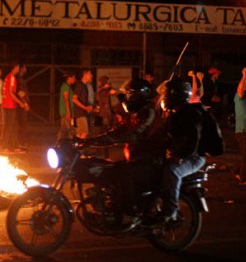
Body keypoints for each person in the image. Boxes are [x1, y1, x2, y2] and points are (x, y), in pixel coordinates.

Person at [86, 78, 164, 227]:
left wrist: (110, 140)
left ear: (138, 97)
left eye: (129, 96)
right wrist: (91, 141)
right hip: (138, 159)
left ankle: (131, 214)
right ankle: (112, 207)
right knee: (109, 169)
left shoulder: (149, 114)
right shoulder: (135, 114)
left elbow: (134, 135)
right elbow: (118, 130)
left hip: (151, 161)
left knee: (124, 172)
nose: (126, 100)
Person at [158, 77, 207, 222]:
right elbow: (164, 136)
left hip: (194, 156)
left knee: (172, 171)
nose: (164, 97)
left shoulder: (190, 114)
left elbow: (193, 140)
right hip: (180, 152)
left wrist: (180, 155)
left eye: (167, 94)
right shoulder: (172, 114)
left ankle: (170, 211)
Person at [2, 62, 28, 153]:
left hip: (8, 104)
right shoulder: (12, 77)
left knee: (13, 125)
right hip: (10, 104)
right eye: (17, 67)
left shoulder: (8, 77)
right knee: (9, 126)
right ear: (15, 68)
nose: (18, 69)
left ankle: (14, 145)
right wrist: (20, 102)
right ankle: (4, 146)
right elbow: (11, 92)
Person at [72, 68, 95, 139]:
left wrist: (89, 107)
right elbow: (74, 99)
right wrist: (85, 108)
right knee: (85, 132)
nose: (92, 75)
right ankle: (78, 149)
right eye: (90, 74)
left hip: (82, 113)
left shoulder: (85, 86)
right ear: (85, 75)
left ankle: (75, 148)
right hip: (80, 113)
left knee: (79, 134)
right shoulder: (80, 85)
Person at [57, 71, 76, 141]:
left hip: (66, 112)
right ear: (69, 78)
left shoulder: (67, 86)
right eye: (74, 78)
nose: (74, 79)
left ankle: (58, 144)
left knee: (63, 130)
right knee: (70, 129)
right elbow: (66, 100)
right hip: (66, 112)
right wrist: (68, 112)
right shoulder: (65, 86)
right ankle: (72, 145)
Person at [16, 64, 31, 149]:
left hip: (22, 104)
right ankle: (21, 143)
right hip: (21, 105)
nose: (26, 69)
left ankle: (21, 142)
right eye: (25, 67)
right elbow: (19, 92)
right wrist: (25, 103)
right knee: (23, 125)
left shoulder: (20, 79)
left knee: (23, 125)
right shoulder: (19, 79)